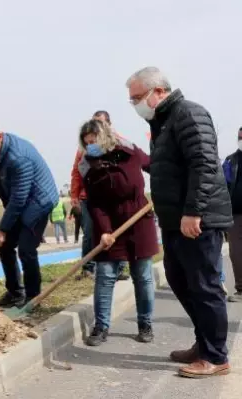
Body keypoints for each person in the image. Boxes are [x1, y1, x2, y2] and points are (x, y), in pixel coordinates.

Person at [126, 66, 233, 378]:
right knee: (178, 278)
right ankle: (203, 342)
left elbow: (204, 163)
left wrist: (194, 211)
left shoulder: (188, 114)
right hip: (175, 220)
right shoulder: (162, 123)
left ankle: (216, 356)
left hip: (197, 219)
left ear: (159, 91)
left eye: (138, 98)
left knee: (204, 285)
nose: (135, 105)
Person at [77, 119, 158, 346]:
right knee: (105, 275)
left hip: (139, 217)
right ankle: (101, 326)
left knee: (142, 276)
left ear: (105, 137)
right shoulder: (87, 165)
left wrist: (165, 186)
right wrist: (104, 231)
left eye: (94, 141)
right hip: (110, 223)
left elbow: (153, 166)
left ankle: (145, 323)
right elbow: (95, 204)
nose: (91, 146)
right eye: (87, 143)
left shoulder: (129, 151)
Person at [0, 123, 59, 307]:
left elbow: (19, 198)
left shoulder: (17, 157)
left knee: (26, 249)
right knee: (4, 246)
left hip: (40, 201)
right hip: (24, 201)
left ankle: (33, 297)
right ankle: (15, 293)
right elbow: (4, 188)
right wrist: (6, 227)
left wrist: (3, 228)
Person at [71, 111, 129, 281]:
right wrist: (75, 195)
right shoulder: (84, 149)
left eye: (100, 125)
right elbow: (76, 172)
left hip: (113, 197)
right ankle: (88, 268)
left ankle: (119, 268)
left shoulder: (118, 143)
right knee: (90, 232)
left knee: (117, 231)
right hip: (88, 197)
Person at [222, 129, 242, 301]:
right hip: (235, 213)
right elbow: (223, 185)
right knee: (236, 251)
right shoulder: (230, 160)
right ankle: (241, 288)